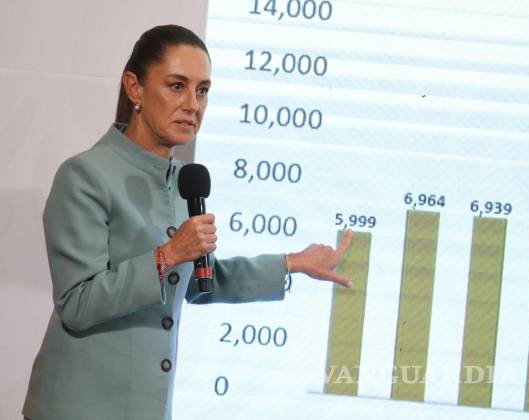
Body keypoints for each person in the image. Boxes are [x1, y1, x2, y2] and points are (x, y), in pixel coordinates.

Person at [22, 24, 353, 420]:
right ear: (135, 88)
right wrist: (168, 255)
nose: (193, 104)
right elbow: (77, 303)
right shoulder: (84, 176)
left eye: (203, 90)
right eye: (177, 86)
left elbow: (195, 282)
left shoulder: (182, 180)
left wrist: (292, 263)